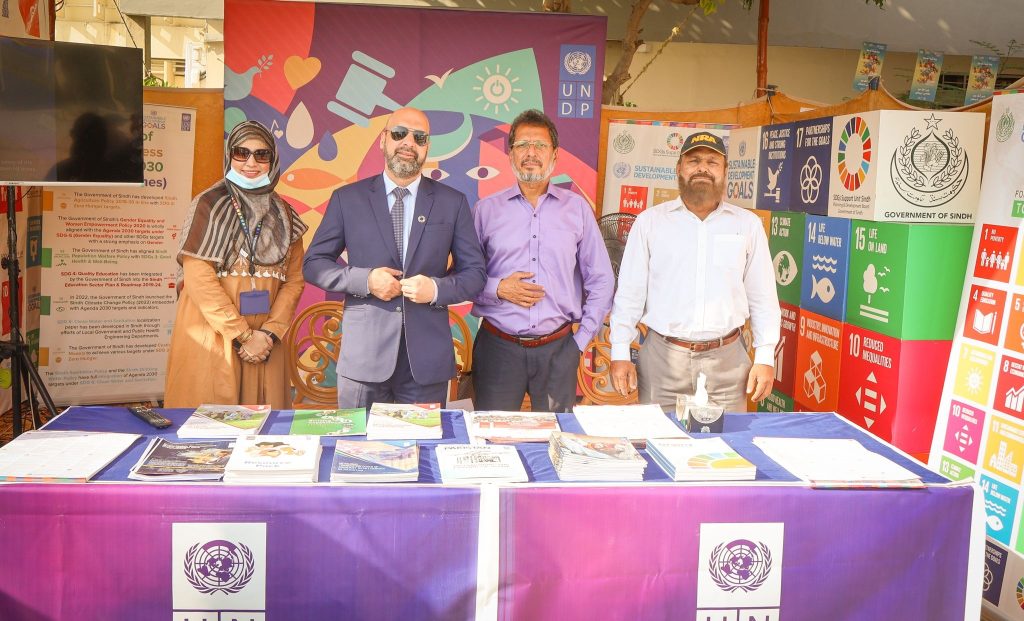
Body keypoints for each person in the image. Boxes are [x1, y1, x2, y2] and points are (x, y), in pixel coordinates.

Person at [303, 107, 486, 408]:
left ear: (427, 146)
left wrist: (435, 289)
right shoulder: (347, 199)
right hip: (364, 361)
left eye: (419, 137)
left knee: (423, 439)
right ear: (383, 139)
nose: (408, 143)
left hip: (426, 364)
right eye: (399, 134)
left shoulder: (452, 202)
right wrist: (366, 280)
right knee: (359, 438)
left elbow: (475, 274)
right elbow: (313, 264)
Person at [609, 131, 780, 412]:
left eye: (712, 162)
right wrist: (619, 352)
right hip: (662, 361)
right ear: (679, 168)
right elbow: (630, 293)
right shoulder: (650, 223)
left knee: (727, 440)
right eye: (694, 161)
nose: (703, 168)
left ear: (725, 171)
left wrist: (765, 356)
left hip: (727, 365)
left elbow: (763, 298)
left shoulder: (747, 225)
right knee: (658, 436)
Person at [471, 109, 613, 412]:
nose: (531, 153)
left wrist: (580, 341)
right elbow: (464, 276)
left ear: (555, 155)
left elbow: (601, 279)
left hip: (558, 350)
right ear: (510, 154)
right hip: (498, 349)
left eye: (540, 145)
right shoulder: (486, 211)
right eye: (522, 145)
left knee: (554, 435)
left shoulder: (577, 209)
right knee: (494, 435)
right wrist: (498, 288)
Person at [165, 120, 307, 408]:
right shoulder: (208, 205)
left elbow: (294, 280)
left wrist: (268, 333)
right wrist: (243, 335)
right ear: (229, 156)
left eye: (261, 154)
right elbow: (198, 279)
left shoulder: (285, 215)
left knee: (265, 427)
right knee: (210, 423)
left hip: (266, 344)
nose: (251, 163)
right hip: (215, 336)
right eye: (241, 153)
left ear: (273, 160)